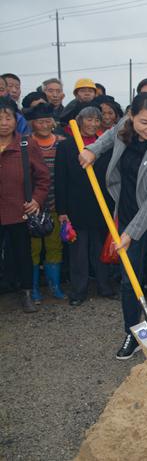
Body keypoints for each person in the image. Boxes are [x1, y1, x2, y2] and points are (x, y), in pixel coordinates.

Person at [80, 92, 147, 360]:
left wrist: (129, 233)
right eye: (144, 122)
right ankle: (133, 333)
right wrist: (91, 150)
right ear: (131, 116)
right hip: (129, 212)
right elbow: (107, 138)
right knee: (130, 281)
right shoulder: (123, 127)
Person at [56, 106, 115, 305]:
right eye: (89, 120)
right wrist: (62, 210)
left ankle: (105, 287)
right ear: (80, 121)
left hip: (102, 206)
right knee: (78, 252)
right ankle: (78, 291)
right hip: (76, 206)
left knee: (101, 249)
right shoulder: (67, 146)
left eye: (97, 120)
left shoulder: (105, 144)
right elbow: (60, 180)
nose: (93, 124)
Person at [0, 97, 50, 312]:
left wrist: (37, 200)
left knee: (22, 254)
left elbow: (43, 177)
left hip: (19, 210)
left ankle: (27, 293)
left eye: (8, 117)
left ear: (15, 119)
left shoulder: (25, 143)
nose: (3, 122)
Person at [24, 102, 66, 303]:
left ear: (53, 122)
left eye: (47, 121)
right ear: (32, 123)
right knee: (33, 249)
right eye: (39, 121)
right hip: (30, 204)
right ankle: (33, 289)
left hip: (56, 202)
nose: (44, 124)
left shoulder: (62, 142)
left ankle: (55, 286)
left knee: (54, 245)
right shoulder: (24, 143)